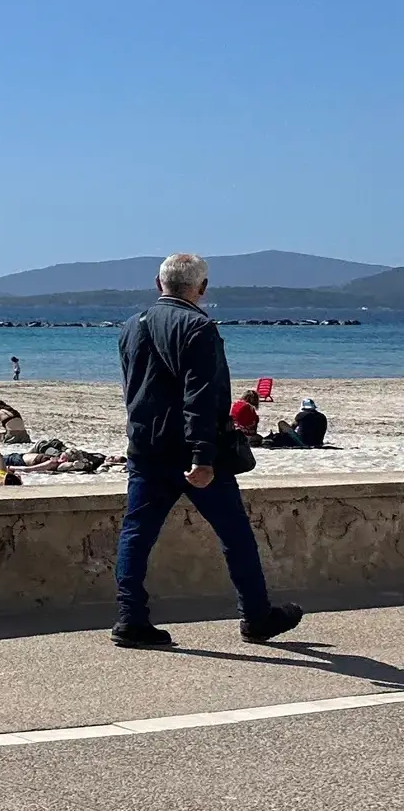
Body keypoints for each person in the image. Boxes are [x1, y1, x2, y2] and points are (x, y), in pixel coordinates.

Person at [112, 253, 303, 650]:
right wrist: (202, 456)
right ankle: (256, 616)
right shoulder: (198, 328)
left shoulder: (132, 326)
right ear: (201, 288)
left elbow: (134, 390)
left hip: (145, 447)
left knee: (137, 534)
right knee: (235, 535)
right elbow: (202, 396)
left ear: (158, 283)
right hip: (189, 452)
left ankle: (130, 618)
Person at [264, 397, 330, 449]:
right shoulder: (322, 416)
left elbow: (292, 427)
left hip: (303, 443)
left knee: (282, 423)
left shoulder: (301, 415)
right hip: (318, 442)